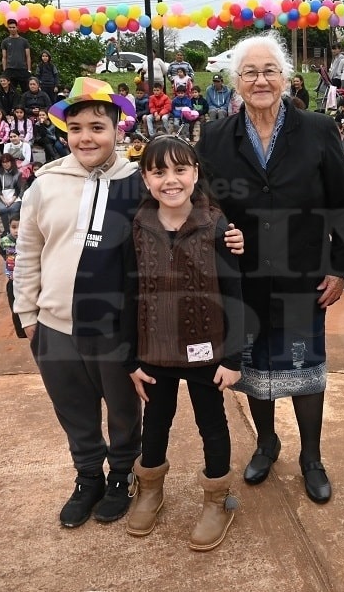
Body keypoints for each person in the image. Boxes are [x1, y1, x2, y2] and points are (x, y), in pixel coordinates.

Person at [16, 76, 243, 528]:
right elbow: (27, 249)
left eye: (97, 127)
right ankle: (87, 477)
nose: (86, 137)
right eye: (76, 128)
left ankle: (123, 477)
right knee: (74, 408)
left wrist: (230, 236)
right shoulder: (45, 184)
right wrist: (26, 311)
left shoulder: (137, 182)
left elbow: (186, 209)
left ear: (117, 128)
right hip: (55, 321)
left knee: (126, 412)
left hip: (118, 325)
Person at [195, 33, 344, 504]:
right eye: (250, 72)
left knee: (305, 368)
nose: (261, 80)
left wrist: (339, 267)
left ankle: (312, 457)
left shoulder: (318, 129)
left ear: (285, 78)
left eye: (269, 71)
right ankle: (266, 444)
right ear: (235, 82)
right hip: (241, 276)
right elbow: (204, 205)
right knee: (252, 366)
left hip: (303, 273)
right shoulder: (216, 136)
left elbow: (342, 203)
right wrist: (221, 236)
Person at [125, 135, 244, 550]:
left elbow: (234, 294)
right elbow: (127, 294)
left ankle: (217, 500)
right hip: (154, 350)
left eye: (180, 169)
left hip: (207, 351)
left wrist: (233, 357)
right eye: (159, 172)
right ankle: (150, 490)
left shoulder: (217, 226)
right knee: (156, 423)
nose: (170, 180)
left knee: (211, 423)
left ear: (195, 174)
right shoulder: (137, 227)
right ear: (145, 178)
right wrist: (130, 358)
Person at [0, 215, 27, 338]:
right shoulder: (5, 241)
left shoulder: (30, 241)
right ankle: (21, 334)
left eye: (20, 227)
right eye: (14, 227)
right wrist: (8, 261)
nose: (17, 231)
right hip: (13, 281)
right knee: (15, 308)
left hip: (28, 280)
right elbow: (2, 251)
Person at [0, 152, 24, 235]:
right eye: (3, 162)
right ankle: (7, 230)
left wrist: (11, 201)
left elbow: (18, 189)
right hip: (3, 196)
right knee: (2, 209)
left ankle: (15, 230)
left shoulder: (18, 173)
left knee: (14, 208)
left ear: (11, 162)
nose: (5, 164)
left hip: (14, 196)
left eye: (7, 162)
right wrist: (4, 200)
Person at [1, 19, 32, 93]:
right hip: (10, 70)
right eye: (10, 27)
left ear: (17, 27)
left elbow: (28, 56)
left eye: (13, 27)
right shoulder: (5, 41)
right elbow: (4, 57)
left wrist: (29, 70)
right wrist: (5, 70)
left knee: (26, 91)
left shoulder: (24, 41)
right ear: (8, 28)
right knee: (11, 92)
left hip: (23, 69)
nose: (12, 29)